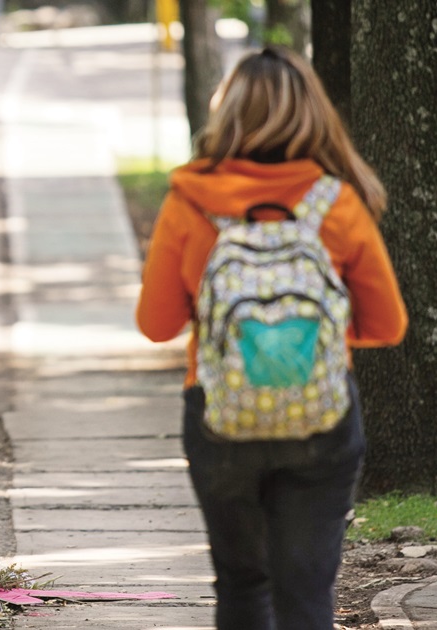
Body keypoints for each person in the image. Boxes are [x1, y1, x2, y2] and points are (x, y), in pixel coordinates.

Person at [135, 45, 408, 630]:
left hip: (219, 416)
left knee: (242, 584)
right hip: (321, 419)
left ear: (226, 112)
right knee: (307, 592)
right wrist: (304, 342)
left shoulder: (191, 201)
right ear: (313, 113)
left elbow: (156, 325)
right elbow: (388, 326)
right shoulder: (336, 203)